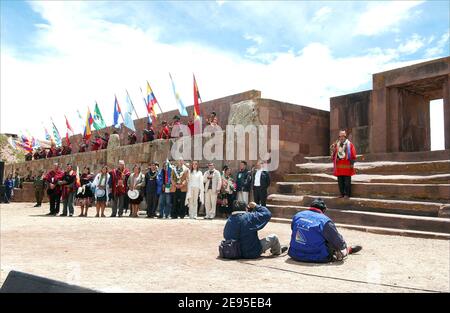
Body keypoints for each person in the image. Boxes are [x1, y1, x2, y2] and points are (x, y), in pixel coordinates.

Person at [288, 198, 362, 263]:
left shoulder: (298, 215)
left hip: (294, 254)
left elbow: (293, 229)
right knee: (333, 241)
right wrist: (344, 247)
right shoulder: (325, 220)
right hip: (317, 257)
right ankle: (348, 251)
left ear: (311, 207)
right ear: (324, 210)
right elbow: (338, 241)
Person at [223, 200, 288, 259]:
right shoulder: (249, 217)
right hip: (251, 252)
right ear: (245, 208)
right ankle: (277, 252)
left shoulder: (229, 220)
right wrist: (256, 206)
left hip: (233, 251)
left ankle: (276, 249)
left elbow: (226, 235)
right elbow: (267, 213)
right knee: (274, 238)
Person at [331, 130, 357, 199]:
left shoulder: (349, 144)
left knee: (347, 181)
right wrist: (333, 150)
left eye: (343, 136)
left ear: (345, 137)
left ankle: (347, 194)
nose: (341, 137)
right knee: (340, 182)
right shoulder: (336, 144)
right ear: (339, 137)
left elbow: (353, 154)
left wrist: (352, 163)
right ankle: (342, 194)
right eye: (340, 136)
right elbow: (333, 155)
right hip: (339, 167)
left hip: (347, 166)